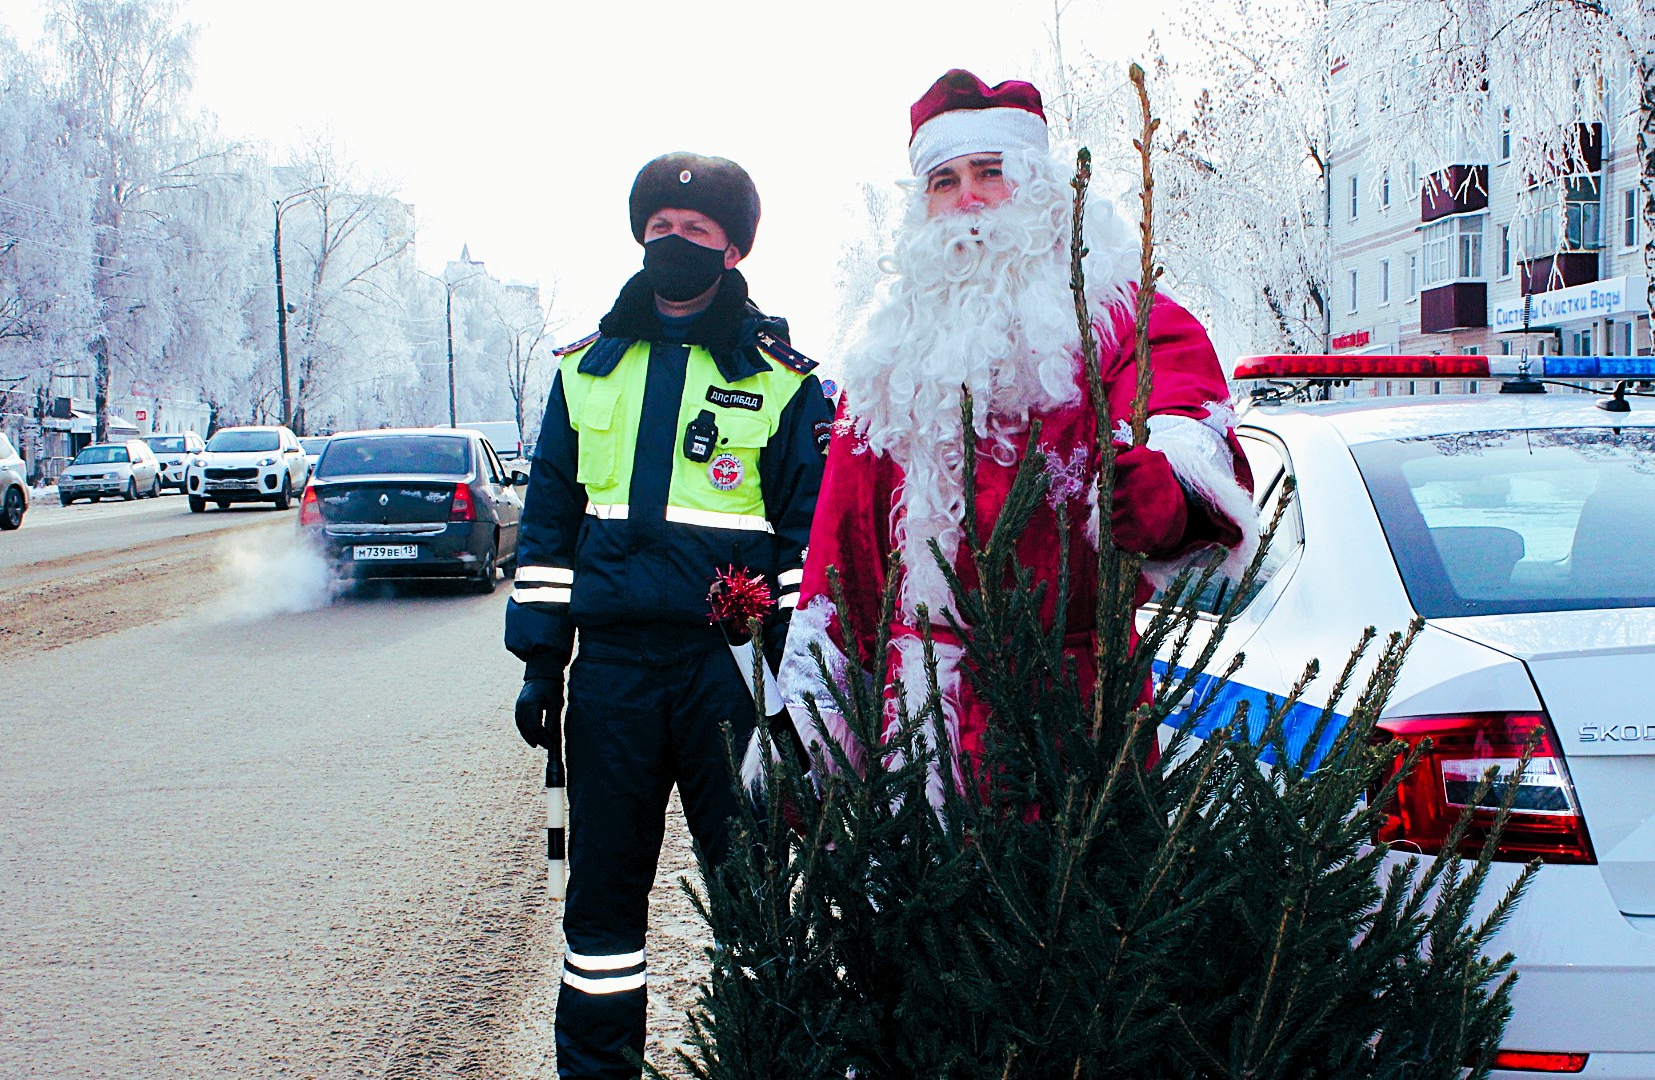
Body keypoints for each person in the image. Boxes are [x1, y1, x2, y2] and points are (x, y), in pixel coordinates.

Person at [772, 71, 1256, 806]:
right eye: (944, 180)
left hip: (1077, 717)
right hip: (917, 727)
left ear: (1037, 187)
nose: (966, 199)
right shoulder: (888, 352)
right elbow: (845, 549)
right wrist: (819, 722)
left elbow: (1190, 424)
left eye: (989, 174)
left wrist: (1170, 493)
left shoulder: (1119, 314)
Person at [505, 152, 831, 1078]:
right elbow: (548, 527)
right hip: (610, 675)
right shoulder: (585, 372)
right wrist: (540, 664)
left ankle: (766, 1062)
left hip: (729, 678)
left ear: (732, 250)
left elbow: (808, 548)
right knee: (601, 917)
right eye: (659, 230)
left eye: (695, 233)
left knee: (759, 898)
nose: (673, 243)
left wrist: (801, 692)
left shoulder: (783, 380)